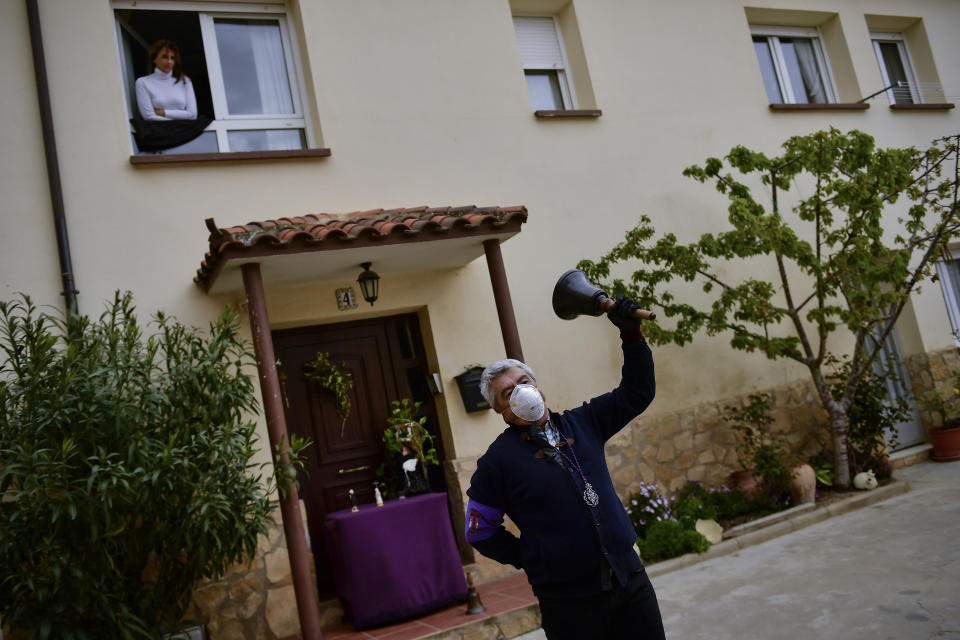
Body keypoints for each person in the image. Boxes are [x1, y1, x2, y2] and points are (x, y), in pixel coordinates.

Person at [464, 295, 665, 640]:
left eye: (523, 382)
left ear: (537, 386)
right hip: (569, 603)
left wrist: (631, 336)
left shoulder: (584, 422)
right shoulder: (496, 462)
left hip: (629, 581)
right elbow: (479, 531)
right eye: (506, 393)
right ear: (501, 410)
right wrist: (530, 556)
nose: (519, 392)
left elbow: (638, 391)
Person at [135, 39, 197, 121]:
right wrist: (181, 117)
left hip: (185, 132)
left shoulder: (184, 80)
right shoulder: (143, 82)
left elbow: (192, 115)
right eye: (164, 57)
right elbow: (148, 117)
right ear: (154, 59)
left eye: (172, 58)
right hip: (160, 132)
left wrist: (164, 113)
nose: (169, 62)